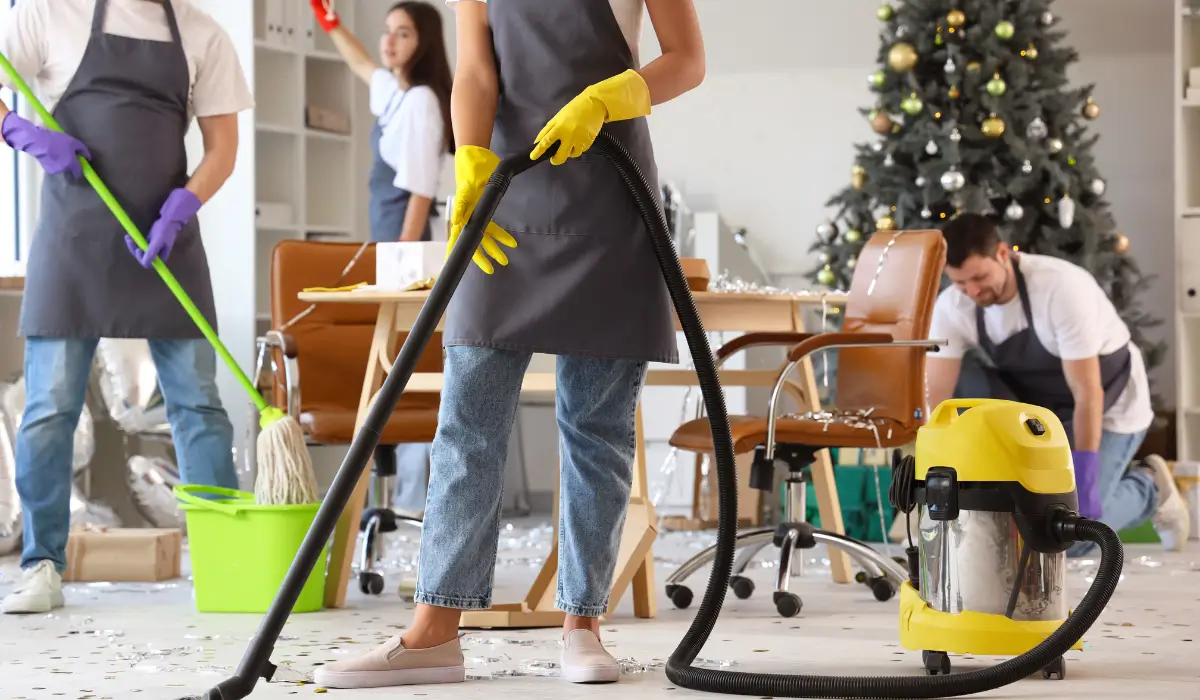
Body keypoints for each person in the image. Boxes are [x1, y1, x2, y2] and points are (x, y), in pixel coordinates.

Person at [312, 0, 705, 689]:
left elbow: (687, 59)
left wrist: (611, 97)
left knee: (597, 427)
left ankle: (583, 624)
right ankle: (434, 631)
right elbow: (474, 69)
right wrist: (468, 159)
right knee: (468, 420)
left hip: (611, 197)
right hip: (507, 197)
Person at [0, 0, 254, 614]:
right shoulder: (46, 15)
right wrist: (22, 132)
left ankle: (226, 561)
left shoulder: (200, 32)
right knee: (49, 407)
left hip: (165, 244)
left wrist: (182, 207)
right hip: (74, 240)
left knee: (197, 404)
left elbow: (222, 147)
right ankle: (41, 564)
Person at [925, 213, 1190, 555]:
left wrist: (1086, 471)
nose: (972, 291)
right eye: (960, 282)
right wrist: (929, 473)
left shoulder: (1060, 289)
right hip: (1046, 412)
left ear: (1003, 254)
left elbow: (1088, 392)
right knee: (1039, 528)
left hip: (1110, 405)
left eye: (980, 277)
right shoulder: (952, 306)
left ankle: (1149, 487)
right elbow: (937, 400)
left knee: (1071, 539)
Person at [309, 0, 452, 243]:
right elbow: (361, 63)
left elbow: (421, 190)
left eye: (403, 34)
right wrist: (328, 20)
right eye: (387, 31)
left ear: (424, 43)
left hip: (405, 237)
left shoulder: (421, 101)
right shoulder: (396, 92)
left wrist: (402, 251)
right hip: (385, 230)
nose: (389, 40)